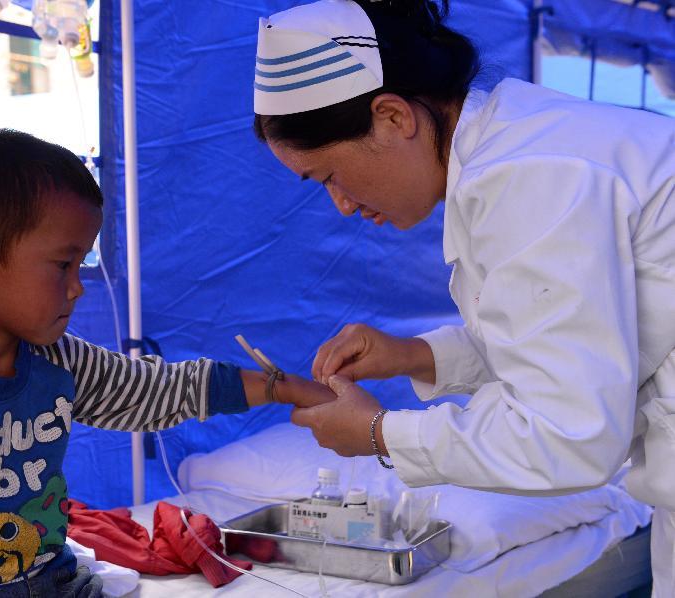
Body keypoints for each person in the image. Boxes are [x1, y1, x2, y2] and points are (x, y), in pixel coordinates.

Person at [252, 0, 675, 592]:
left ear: (394, 116)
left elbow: (566, 434)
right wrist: (414, 356)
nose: (341, 204)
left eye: (328, 177)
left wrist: (382, 435)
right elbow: (570, 338)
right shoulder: (519, 135)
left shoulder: (526, 176)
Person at [0, 129, 334, 597]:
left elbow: (156, 392)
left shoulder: (55, 358)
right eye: (63, 264)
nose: (78, 287)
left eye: (82, 266)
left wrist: (279, 387)